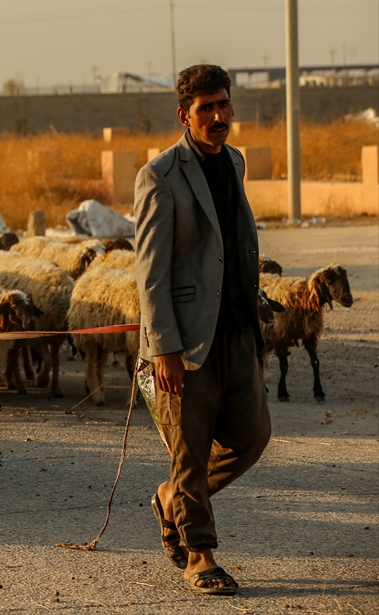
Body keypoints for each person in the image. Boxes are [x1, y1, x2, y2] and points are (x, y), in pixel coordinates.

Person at [133, 64, 271, 596]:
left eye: (223, 104)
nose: (218, 116)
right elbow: (152, 271)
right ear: (184, 115)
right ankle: (199, 554)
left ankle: (173, 496)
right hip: (187, 341)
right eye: (206, 108)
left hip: (237, 331)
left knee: (252, 436)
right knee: (190, 447)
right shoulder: (160, 176)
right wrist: (164, 347)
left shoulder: (234, 162)